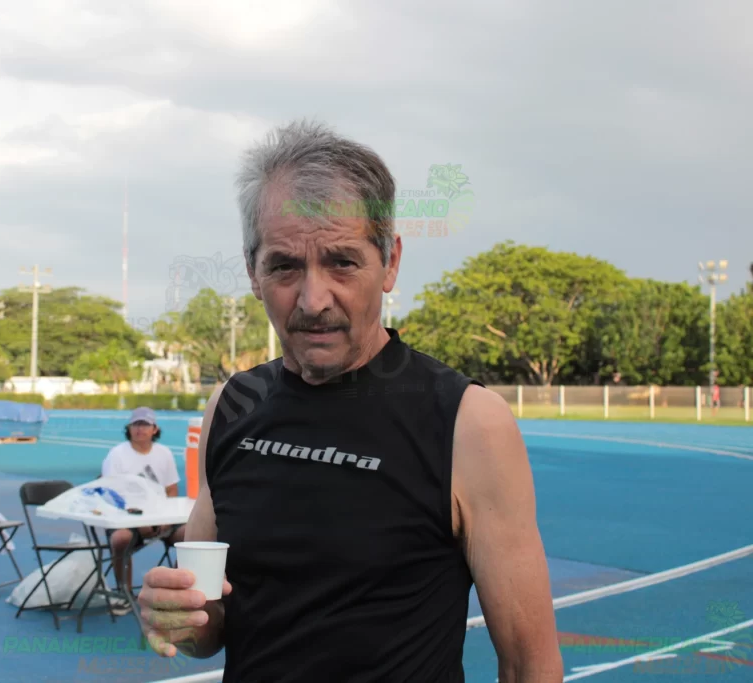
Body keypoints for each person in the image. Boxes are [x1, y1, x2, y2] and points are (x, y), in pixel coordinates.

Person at [138, 120, 564, 681]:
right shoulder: (232, 406)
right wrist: (176, 616)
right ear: (252, 272)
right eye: (284, 266)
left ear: (390, 263)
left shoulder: (467, 423)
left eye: (341, 261)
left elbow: (530, 664)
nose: (313, 300)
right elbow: (209, 629)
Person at [101, 406, 186, 615]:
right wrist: (140, 521)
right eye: (135, 424)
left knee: (192, 535)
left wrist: (165, 518)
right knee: (120, 539)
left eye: (145, 424)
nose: (140, 429)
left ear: (154, 429)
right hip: (127, 520)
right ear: (129, 428)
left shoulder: (164, 453)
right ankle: (125, 593)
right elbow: (111, 494)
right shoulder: (117, 455)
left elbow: (171, 489)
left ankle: (173, 592)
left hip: (161, 519)